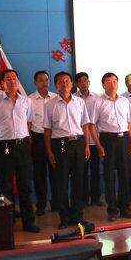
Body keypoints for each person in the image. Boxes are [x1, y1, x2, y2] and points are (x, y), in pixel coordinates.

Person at [0, 69, 40, 233]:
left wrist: (21, 137)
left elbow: (29, 123)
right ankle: (7, 222)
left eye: (14, 78)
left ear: (17, 81)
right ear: (3, 83)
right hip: (4, 146)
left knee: (25, 184)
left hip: (22, 145)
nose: (12, 81)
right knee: (5, 185)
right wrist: (0, 139)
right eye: (8, 79)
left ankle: (29, 222)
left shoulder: (26, 101)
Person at [44, 71, 94, 230]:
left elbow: (85, 125)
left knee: (79, 181)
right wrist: (49, 151)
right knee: (62, 182)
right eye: (61, 81)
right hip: (60, 144)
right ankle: (64, 217)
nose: (64, 84)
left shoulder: (79, 102)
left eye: (67, 81)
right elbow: (47, 130)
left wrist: (86, 145)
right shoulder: (50, 104)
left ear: (72, 84)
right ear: (55, 85)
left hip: (78, 142)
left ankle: (78, 215)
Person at [90, 73, 131, 221]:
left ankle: (125, 207)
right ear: (103, 85)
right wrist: (98, 145)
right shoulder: (98, 102)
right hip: (107, 140)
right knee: (109, 176)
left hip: (124, 139)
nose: (112, 84)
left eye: (115, 81)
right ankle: (112, 210)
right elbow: (92, 125)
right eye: (108, 81)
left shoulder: (124, 101)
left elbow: (129, 122)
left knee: (125, 175)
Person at [28, 70, 58, 216]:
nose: (45, 83)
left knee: (56, 172)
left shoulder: (56, 97)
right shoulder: (29, 100)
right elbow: (27, 122)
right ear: (35, 82)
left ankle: (56, 203)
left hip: (54, 138)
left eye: (46, 80)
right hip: (38, 139)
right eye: (41, 80)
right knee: (39, 174)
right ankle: (41, 204)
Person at [75, 72, 102, 207]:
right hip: (80, 141)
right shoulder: (73, 99)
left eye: (85, 80)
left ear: (89, 82)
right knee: (82, 171)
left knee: (96, 170)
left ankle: (96, 198)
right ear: (77, 84)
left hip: (96, 140)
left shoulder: (98, 98)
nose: (83, 83)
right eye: (80, 81)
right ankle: (83, 199)